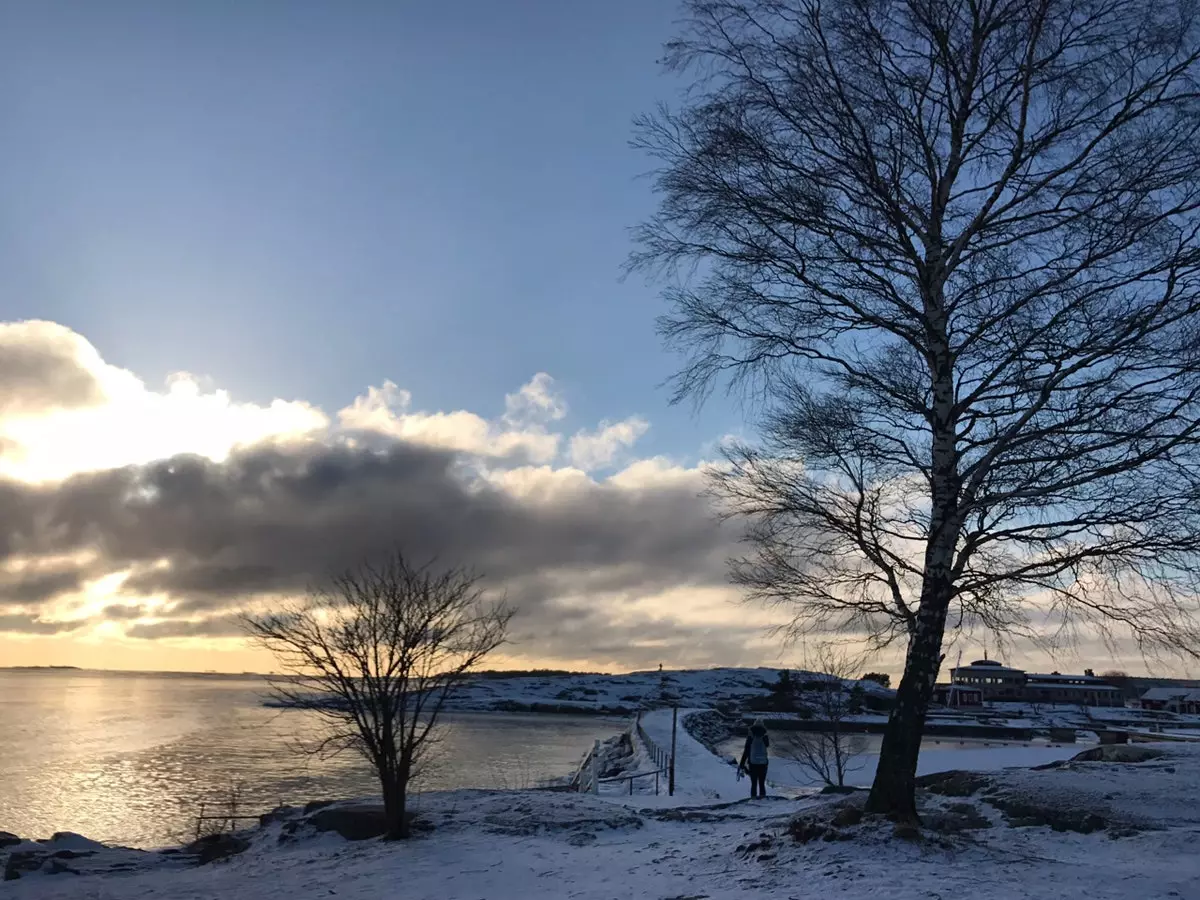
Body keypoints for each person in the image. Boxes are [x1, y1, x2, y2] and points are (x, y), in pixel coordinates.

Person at [739, 718, 770, 799]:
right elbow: (767, 745)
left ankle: (753, 799)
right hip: (763, 763)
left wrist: (742, 764)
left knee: (754, 784)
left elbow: (746, 750)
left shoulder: (751, 736)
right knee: (762, 783)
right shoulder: (765, 736)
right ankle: (763, 799)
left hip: (753, 763)